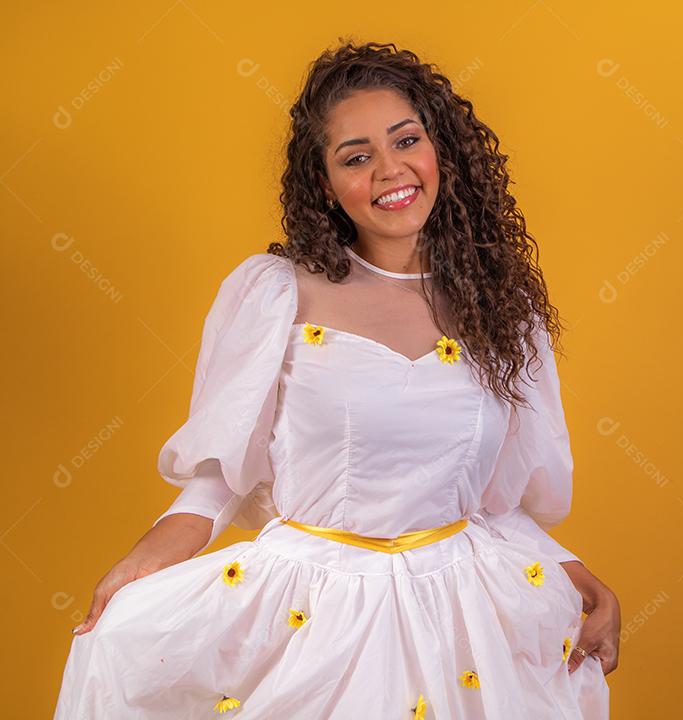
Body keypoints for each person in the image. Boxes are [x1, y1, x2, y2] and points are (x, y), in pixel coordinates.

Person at [53, 39, 620, 718]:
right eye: (357, 157)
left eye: (405, 139)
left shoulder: (504, 310)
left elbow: (491, 505)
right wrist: (138, 568)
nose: (391, 170)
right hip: (316, 614)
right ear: (325, 184)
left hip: (462, 615)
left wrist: (581, 577)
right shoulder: (276, 296)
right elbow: (218, 480)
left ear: (441, 149)